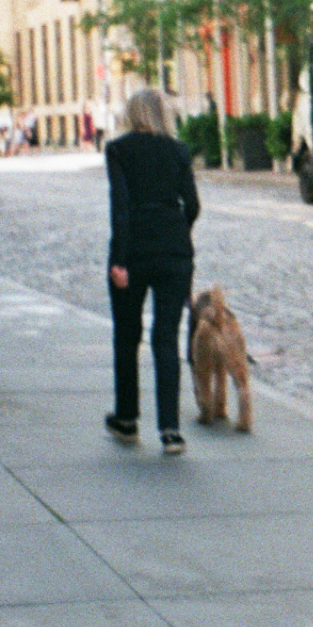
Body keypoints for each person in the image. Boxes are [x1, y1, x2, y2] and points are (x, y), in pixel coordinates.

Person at [104, 86, 199, 455]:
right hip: (174, 253)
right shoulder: (178, 150)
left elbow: (120, 207)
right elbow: (192, 204)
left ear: (132, 114)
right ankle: (171, 430)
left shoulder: (119, 149)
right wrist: (178, 233)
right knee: (166, 339)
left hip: (134, 251)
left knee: (127, 336)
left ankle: (127, 418)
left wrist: (119, 260)